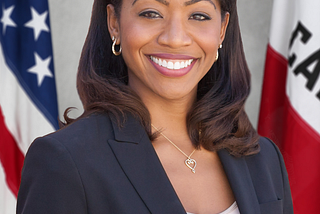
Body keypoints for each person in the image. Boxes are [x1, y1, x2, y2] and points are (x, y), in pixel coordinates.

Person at [17, 0, 294, 213]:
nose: (174, 38)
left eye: (198, 15)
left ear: (222, 29)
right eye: (151, 12)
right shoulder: (64, 162)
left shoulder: (263, 158)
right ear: (114, 22)